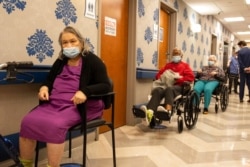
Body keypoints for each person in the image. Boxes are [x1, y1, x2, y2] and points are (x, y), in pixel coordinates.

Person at [19, 26, 111, 167]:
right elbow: (49, 80)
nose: (69, 45)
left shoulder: (93, 61)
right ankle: (25, 165)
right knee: (27, 121)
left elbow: (106, 85)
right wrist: (44, 87)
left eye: (73, 41)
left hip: (82, 105)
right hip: (55, 103)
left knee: (55, 125)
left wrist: (85, 91)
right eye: (65, 43)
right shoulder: (61, 60)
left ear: (81, 42)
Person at [140, 48, 195, 128]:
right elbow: (158, 75)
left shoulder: (185, 66)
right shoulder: (168, 65)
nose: (175, 56)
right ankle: (150, 112)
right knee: (157, 90)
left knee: (169, 89)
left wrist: (179, 79)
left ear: (181, 56)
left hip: (179, 86)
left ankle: (167, 111)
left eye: (177, 54)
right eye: (174, 55)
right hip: (165, 85)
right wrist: (162, 77)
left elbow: (191, 77)